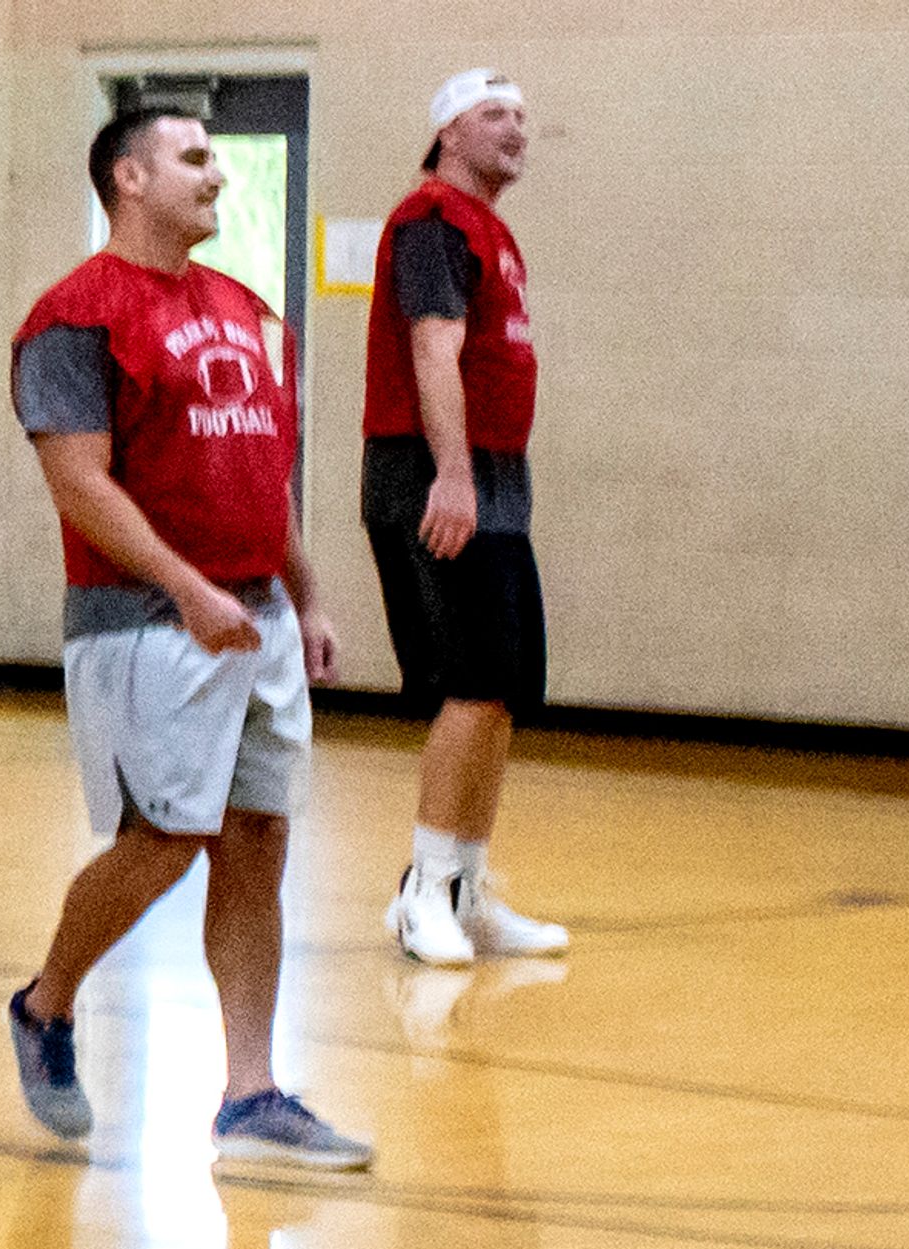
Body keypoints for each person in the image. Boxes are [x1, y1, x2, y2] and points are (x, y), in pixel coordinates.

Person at [2, 105, 373, 1172]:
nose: (219, 176)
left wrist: (304, 598)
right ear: (129, 177)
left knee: (257, 843)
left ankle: (249, 1091)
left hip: (252, 616)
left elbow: (269, 476)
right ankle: (45, 1003)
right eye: (195, 158)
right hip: (146, 621)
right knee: (161, 842)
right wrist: (186, 584)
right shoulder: (74, 316)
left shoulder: (251, 313)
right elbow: (78, 481)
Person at [371, 69, 565, 967]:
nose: (516, 128)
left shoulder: (492, 228)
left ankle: (466, 890)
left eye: (522, 116)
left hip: (495, 478)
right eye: (495, 114)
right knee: (469, 684)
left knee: (502, 690)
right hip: (437, 477)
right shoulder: (432, 220)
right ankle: (424, 893)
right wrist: (451, 475)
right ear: (449, 132)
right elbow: (431, 345)